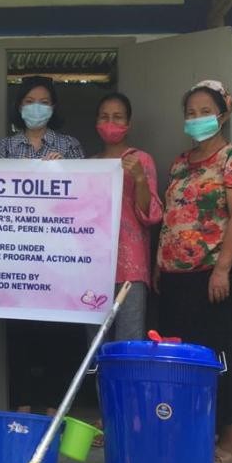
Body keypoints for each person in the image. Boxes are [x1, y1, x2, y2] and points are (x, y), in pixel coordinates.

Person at [154, 80, 232, 463]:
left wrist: (223, 270)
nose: (196, 119)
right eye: (191, 112)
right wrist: (159, 265)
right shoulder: (180, 162)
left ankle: (230, 437)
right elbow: (170, 219)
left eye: (205, 111)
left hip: (213, 274)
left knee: (219, 352)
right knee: (181, 356)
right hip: (175, 274)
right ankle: (190, 427)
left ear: (223, 114)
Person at [0, 75, 84, 414]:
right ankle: (22, 406)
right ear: (20, 106)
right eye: (30, 100)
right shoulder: (4, 147)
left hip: (60, 254)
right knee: (21, 334)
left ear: (53, 106)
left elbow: (85, 195)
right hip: (18, 255)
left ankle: (53, 409)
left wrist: (60, 171)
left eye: (44, 101)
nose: (37, 107)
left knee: (58, 334)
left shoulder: (69, 145)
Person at [92, 91, 163, 340]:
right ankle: (99, 383)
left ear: (128, 124)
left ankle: (123, 382)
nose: (111, 122)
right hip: (92, 267)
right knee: (96, 344)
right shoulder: (89, 164)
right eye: (104, 117)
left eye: (118, 117)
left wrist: (140, 179)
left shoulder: (140, 160)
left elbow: (151, 215)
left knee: (128, 341)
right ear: (96, 123)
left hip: (130, 267)